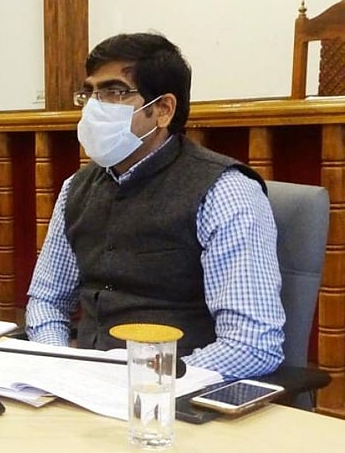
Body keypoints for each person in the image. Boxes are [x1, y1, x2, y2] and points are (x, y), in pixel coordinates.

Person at [25, 33, 285, 379]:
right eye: (89, 92)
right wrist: (59, 366)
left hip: (180, 393)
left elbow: (253, 344)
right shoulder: (77, 187)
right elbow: (46, 302)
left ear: (163, 109)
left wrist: (149, 380)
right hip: (86, 389)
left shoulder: (225, 190)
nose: (94, 106)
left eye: (114, 92)